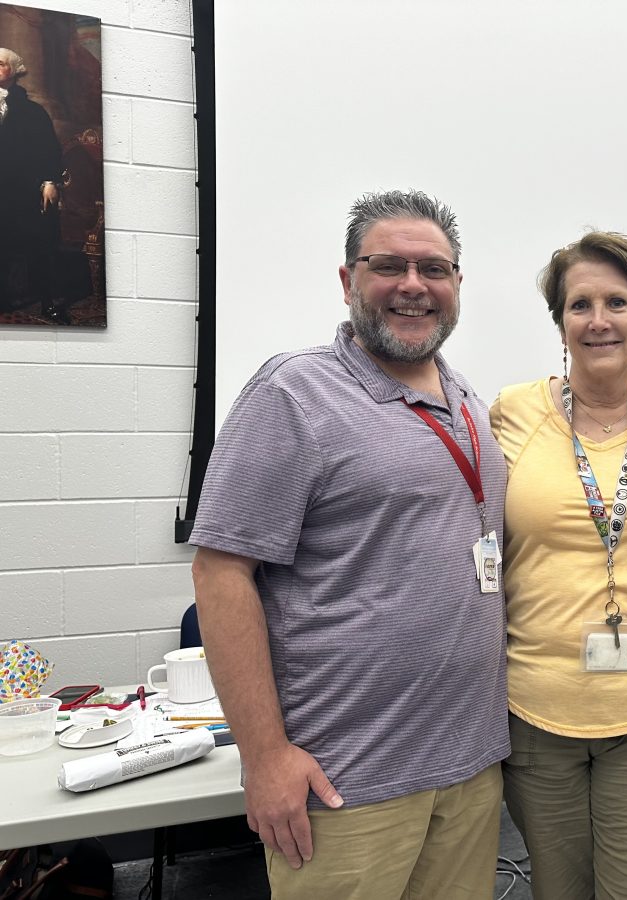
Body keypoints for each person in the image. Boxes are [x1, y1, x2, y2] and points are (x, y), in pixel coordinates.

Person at [190, 190, 508, 899]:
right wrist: (265, 757)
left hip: (470, 768)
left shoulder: (467, 401)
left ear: (457, 285)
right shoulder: (294, 392)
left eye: (434, 268)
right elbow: (220, 574)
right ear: (347, 280)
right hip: (345, 782)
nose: (413, 285)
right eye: (388, 265)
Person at [490, 232, 627, 899]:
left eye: (618, 301)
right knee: (560, 891)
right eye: (579, 304)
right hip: (535, 711)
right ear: (561, 322)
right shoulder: (512, 412)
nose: (598, 320)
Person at [0, 47, 64, 322]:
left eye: (0, 64)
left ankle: (48, 301)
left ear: (14, 70)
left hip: (24, 189)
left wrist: (49, 181)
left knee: (41, 242)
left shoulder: (33, 111)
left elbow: (49, 150)